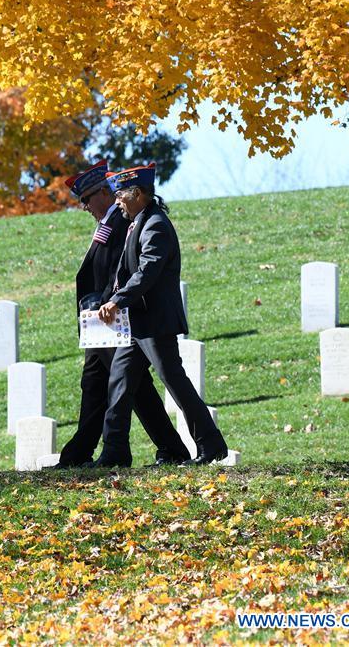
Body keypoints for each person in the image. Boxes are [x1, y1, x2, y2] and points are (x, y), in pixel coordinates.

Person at [57, 159, 191, 468]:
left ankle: (168, 448)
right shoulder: (110, 222)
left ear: (105, 192)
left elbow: (122, 271)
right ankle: (78, 454)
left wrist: (109, 304)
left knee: (133, 387)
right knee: (94, 385)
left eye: (87, 198)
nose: (84, 206)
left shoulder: (122, 220)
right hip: (99, 321)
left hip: (112, 318)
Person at [97, 163, 228, 467]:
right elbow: (126, 271)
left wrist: (118, 300)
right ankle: (114, 452)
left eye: (121, 195)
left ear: (139, 194)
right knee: (118, 384)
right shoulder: (137, 222)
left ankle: (211, 445)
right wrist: (110, 300)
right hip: (136, 325)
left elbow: (147, 273)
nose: (117, 201)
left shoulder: (155, 224)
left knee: (175, 382)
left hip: (155, 323)